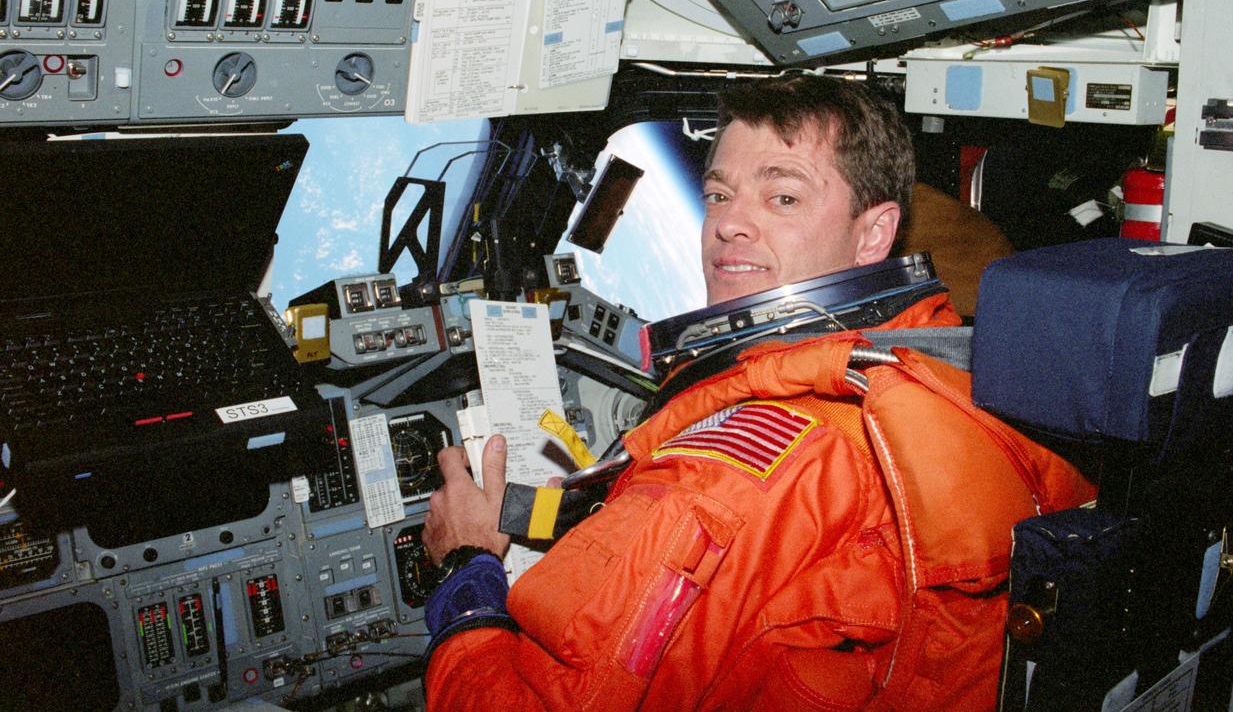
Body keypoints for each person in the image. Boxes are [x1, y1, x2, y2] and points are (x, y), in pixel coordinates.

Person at [420, 74, 1095, 710]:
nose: (729, 224)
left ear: (875, 234)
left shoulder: (735, 476)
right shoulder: (954, 372)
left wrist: (466, 568)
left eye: (783, 197)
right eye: (719, 194)